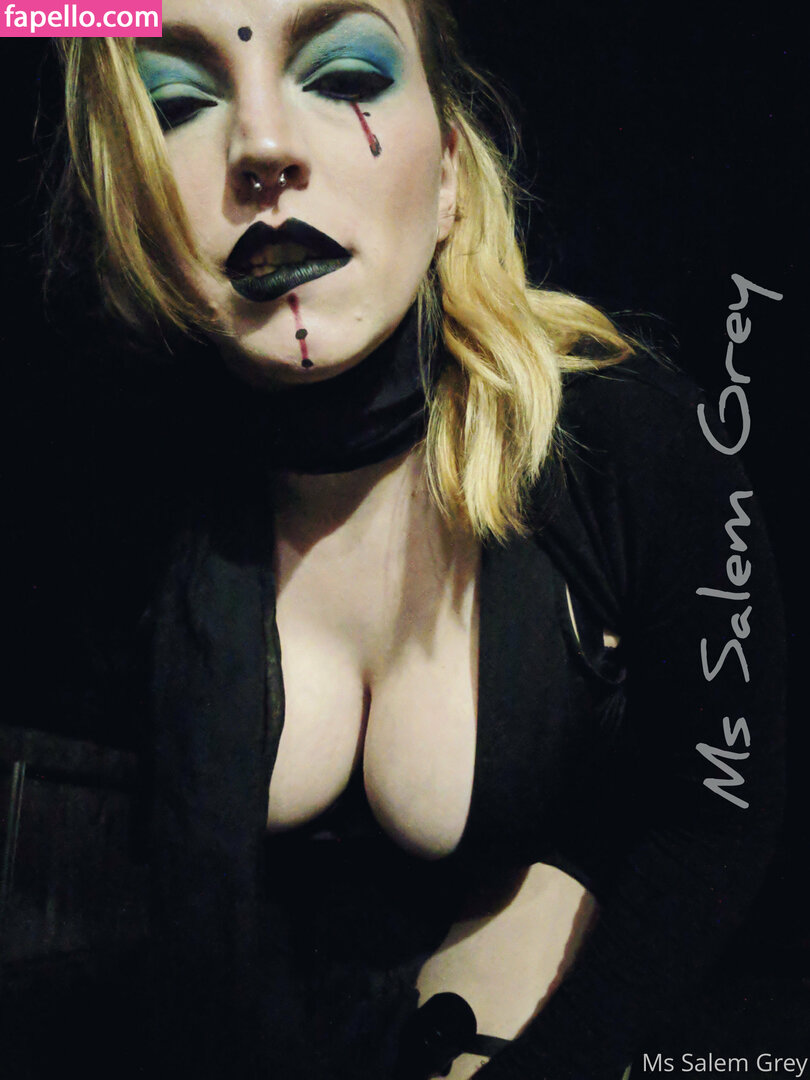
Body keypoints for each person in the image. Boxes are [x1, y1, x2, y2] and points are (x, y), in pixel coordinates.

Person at [40, 2, 785, 1078]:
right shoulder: (120, 493)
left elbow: (720, 816)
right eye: (178, 103)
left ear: (446, 177)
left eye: (345, 76)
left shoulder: (631, 443)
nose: (263, 148)